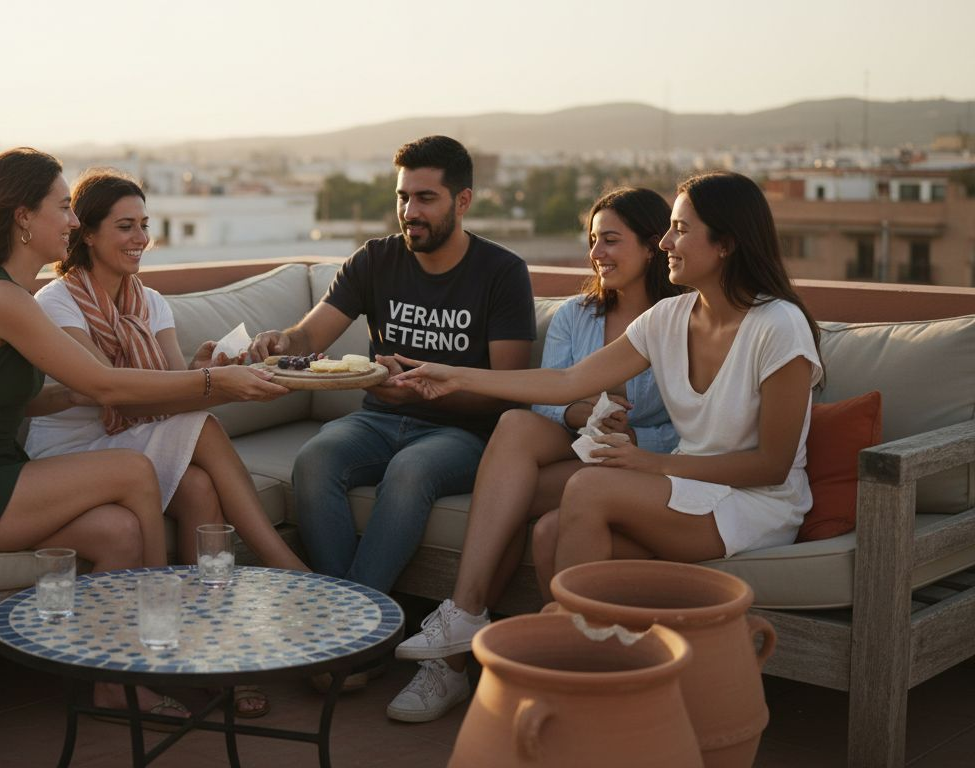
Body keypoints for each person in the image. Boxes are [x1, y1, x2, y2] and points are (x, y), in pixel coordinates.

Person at [0, 148, 287, 723]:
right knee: (133, 471)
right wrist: (211, 379)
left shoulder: (7, 295)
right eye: (63, 208)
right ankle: (158, 655)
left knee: (119, 532)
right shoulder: (3, 298)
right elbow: (106, 384)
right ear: (23, 217)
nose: (72, 222)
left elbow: (13, 397)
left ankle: (109, 683)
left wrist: (66, 394)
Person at [391, 173, 822, 635]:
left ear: (725, 244)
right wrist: (452, 376)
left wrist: (650, 464)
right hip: (688, 488)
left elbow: (772, 466)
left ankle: (564, 656)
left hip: (756, 504)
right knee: (548, 532)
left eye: (680, 229)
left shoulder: (779, 325)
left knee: (590, 487)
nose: (664, 242)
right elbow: (567, 381)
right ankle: (600, 655)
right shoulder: (669, 318)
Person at [386, 187, 684, 723]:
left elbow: (695, 425)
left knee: (523, 508)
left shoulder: (682, 321)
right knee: (516, 425)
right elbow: (547, 397)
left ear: (651, 245)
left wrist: (640, 440)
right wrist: (576, 413)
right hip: (572, 445)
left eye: (611, 240)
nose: (597, 254)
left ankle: (454, 656)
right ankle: (466, 614)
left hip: (637, 465)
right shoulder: (577, 314)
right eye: (592, 240)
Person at [24, 168, 308, 717]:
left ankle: (208, 646)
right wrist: (210, 386)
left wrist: (205, 370)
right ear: (87, 235)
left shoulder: (151, 302)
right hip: (74, 455)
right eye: (125, 227)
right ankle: (285, 567)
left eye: (145, 225)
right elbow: (116, 393)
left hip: (136, 444)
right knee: (205, 428)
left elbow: (177, 390)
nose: (140, 239)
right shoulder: (57, 303)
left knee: (200, 486)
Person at [250, 135, 536, 679]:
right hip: (379, 416)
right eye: (403, 197)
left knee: (408, 473)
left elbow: (508, 387)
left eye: (426, 198)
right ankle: (361, 629)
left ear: (463, 201)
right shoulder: (375, 259)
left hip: (463, 431)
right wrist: (281, 342)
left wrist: (433, 389)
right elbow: (312, 333)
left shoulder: (501, 272)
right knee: (314, 460)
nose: (410, 212)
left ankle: (346, 637)